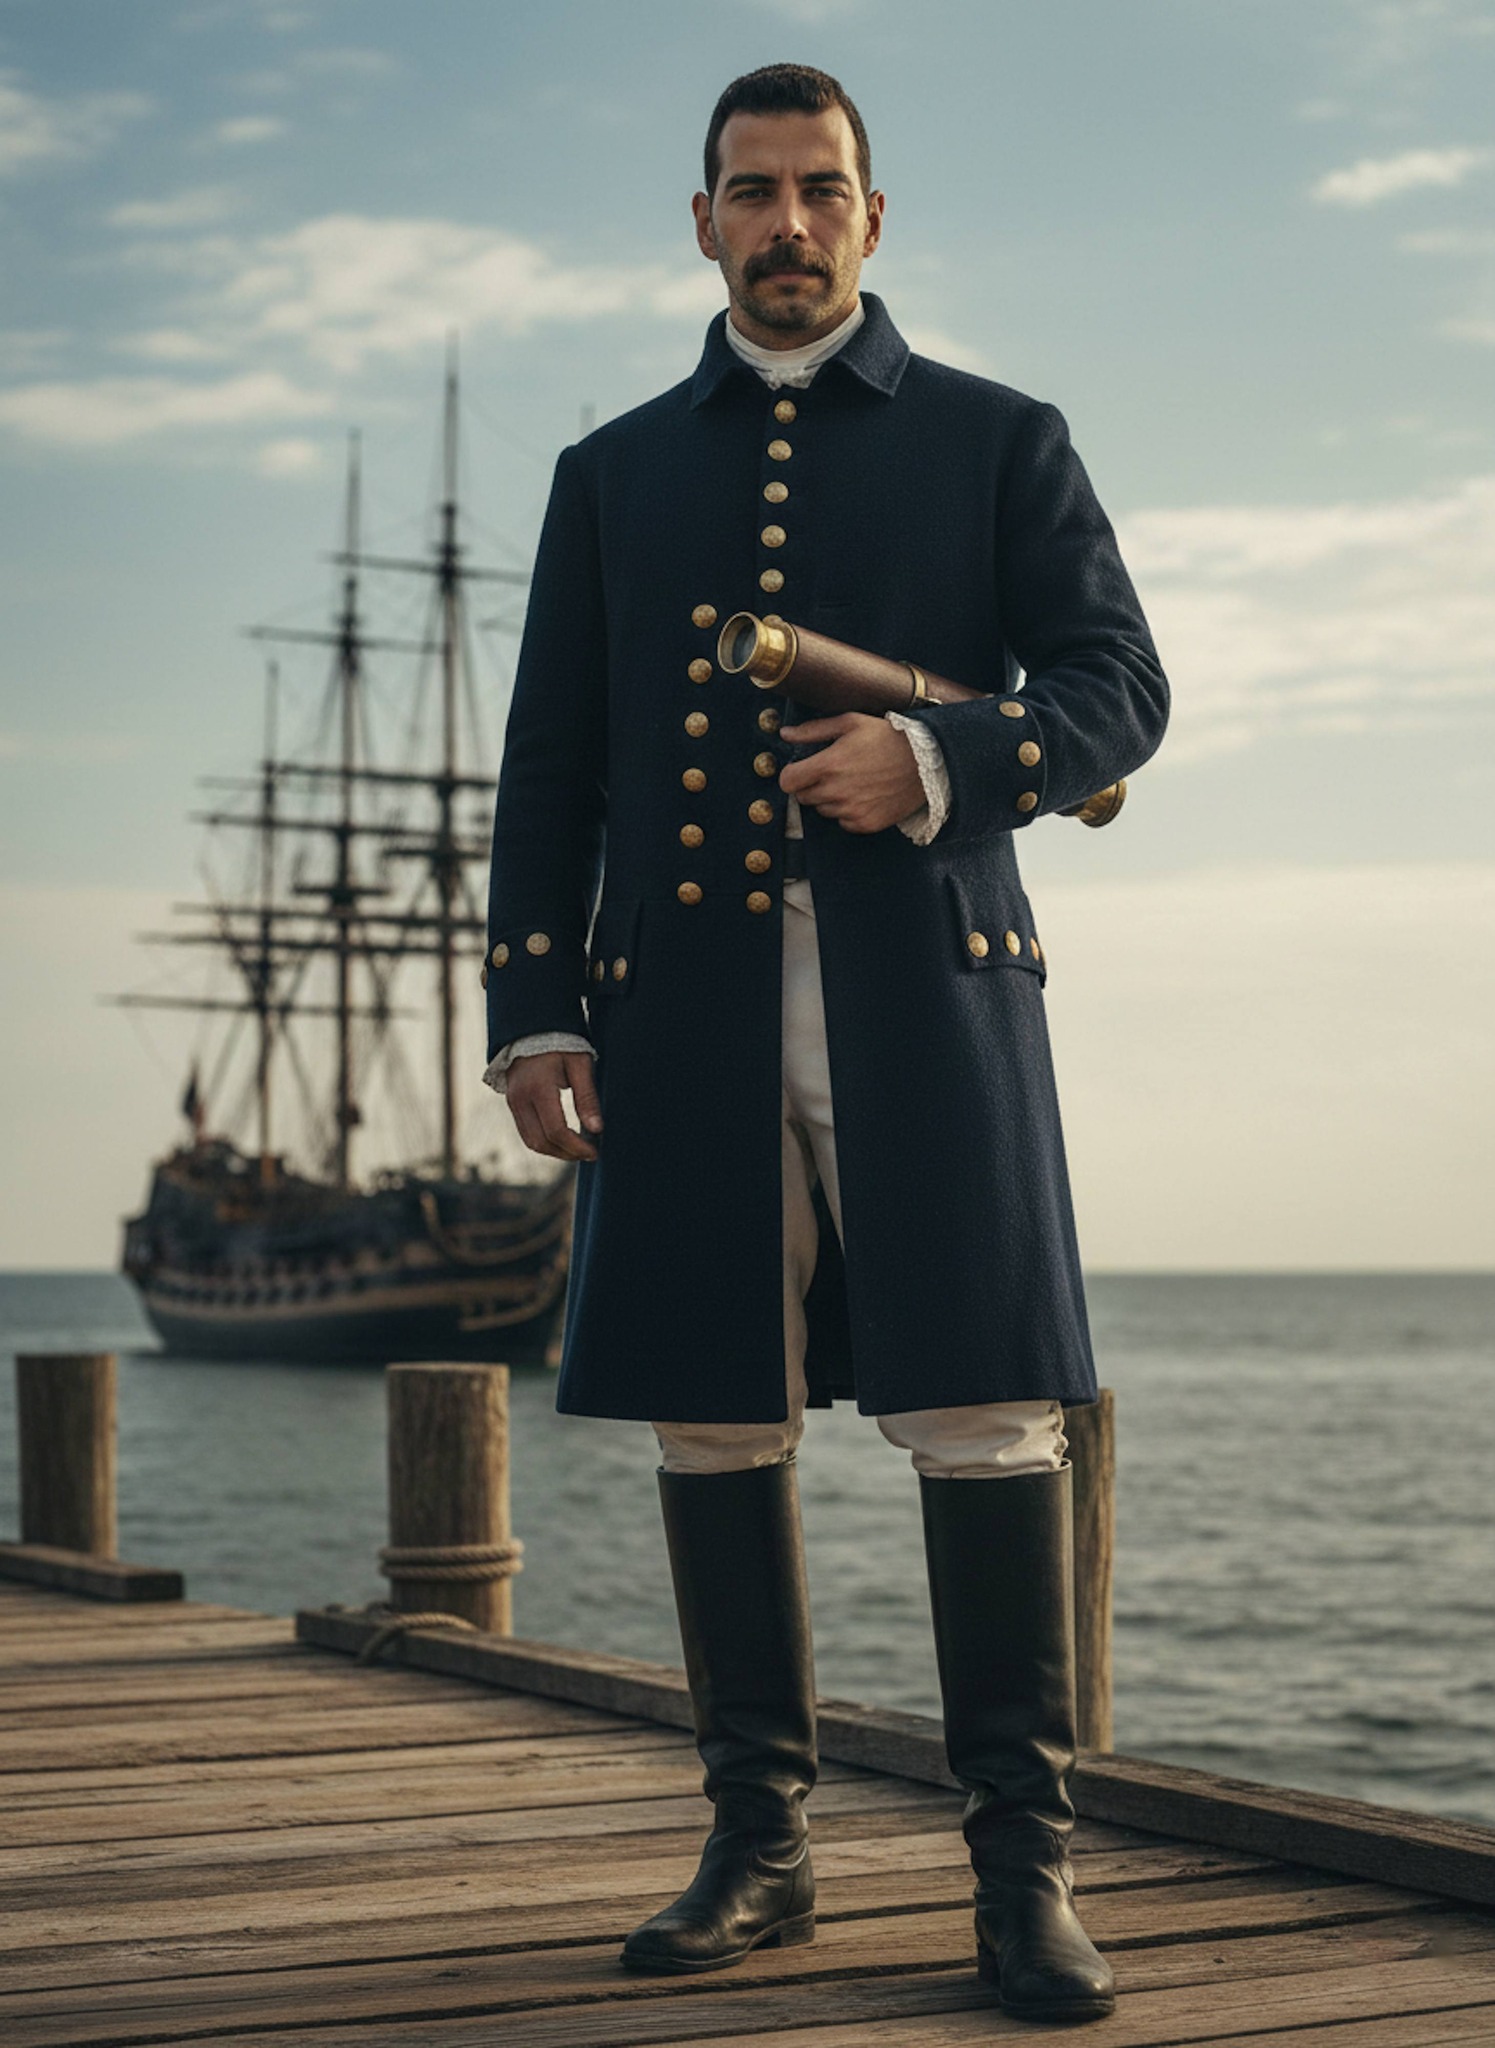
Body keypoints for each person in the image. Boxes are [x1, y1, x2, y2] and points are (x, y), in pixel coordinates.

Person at [483, 62, 1168, 2027]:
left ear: (872, 215)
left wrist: (936, 759)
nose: (785, 223)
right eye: (750, 190)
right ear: (701, 221)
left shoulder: (1000, 438)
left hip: (931, 994)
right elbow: (550, 765)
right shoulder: (609, 473)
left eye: (818, 189)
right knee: (717, 1410)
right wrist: (533, 1009)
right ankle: (759, 1850)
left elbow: (1119, 686)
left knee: (986, 1411)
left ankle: (1023, 1876)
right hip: (681, 1015)